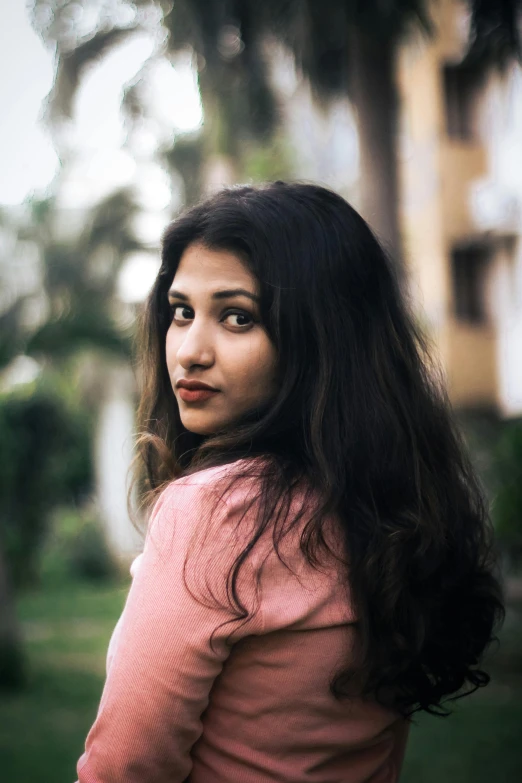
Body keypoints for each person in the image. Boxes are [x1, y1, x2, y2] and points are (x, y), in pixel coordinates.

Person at [76, 181, 505, 783]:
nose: (190, 351)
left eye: (237, 317)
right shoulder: (388, 505)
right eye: (181, 311)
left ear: (320, 339)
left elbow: (125, 766)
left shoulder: (215, 513)